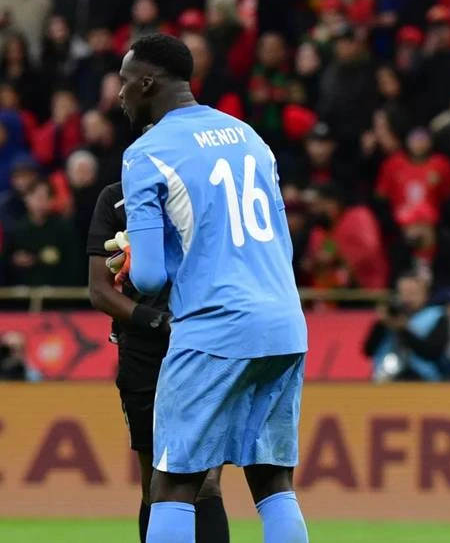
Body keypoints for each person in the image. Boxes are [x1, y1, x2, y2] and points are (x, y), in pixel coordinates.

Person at [116, 34, 309, 543]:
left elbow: (151, 278)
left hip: (215, 328)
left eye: (124, 82)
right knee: (272, 480)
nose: (120, 94)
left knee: (175, 480)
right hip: (284, 321)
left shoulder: (146, 154)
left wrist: (140, 252)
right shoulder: (249, 137)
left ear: (148, 82)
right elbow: (283, 245)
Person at [87, 180, 229, 543]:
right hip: (143, 349)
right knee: (155, 478)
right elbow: (100, 289)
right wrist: (156, 321)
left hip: (203, 341)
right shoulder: (115, 198)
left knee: (207, 480)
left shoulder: (205, 186)